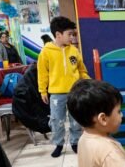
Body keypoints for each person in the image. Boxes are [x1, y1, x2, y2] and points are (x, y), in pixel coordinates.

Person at [38, 16, 90, 157]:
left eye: (73, 34)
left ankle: (75, 142)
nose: (72, 37)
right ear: (58, 35)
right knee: (56, 120)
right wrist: (42, 90)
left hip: (75, 92)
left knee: (76, 120)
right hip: (56, 94)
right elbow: (42, 73)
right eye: (69, 34)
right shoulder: (46, 52)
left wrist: (88, 81)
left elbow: (81, 70)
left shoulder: (74, 50)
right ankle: (58, 144)